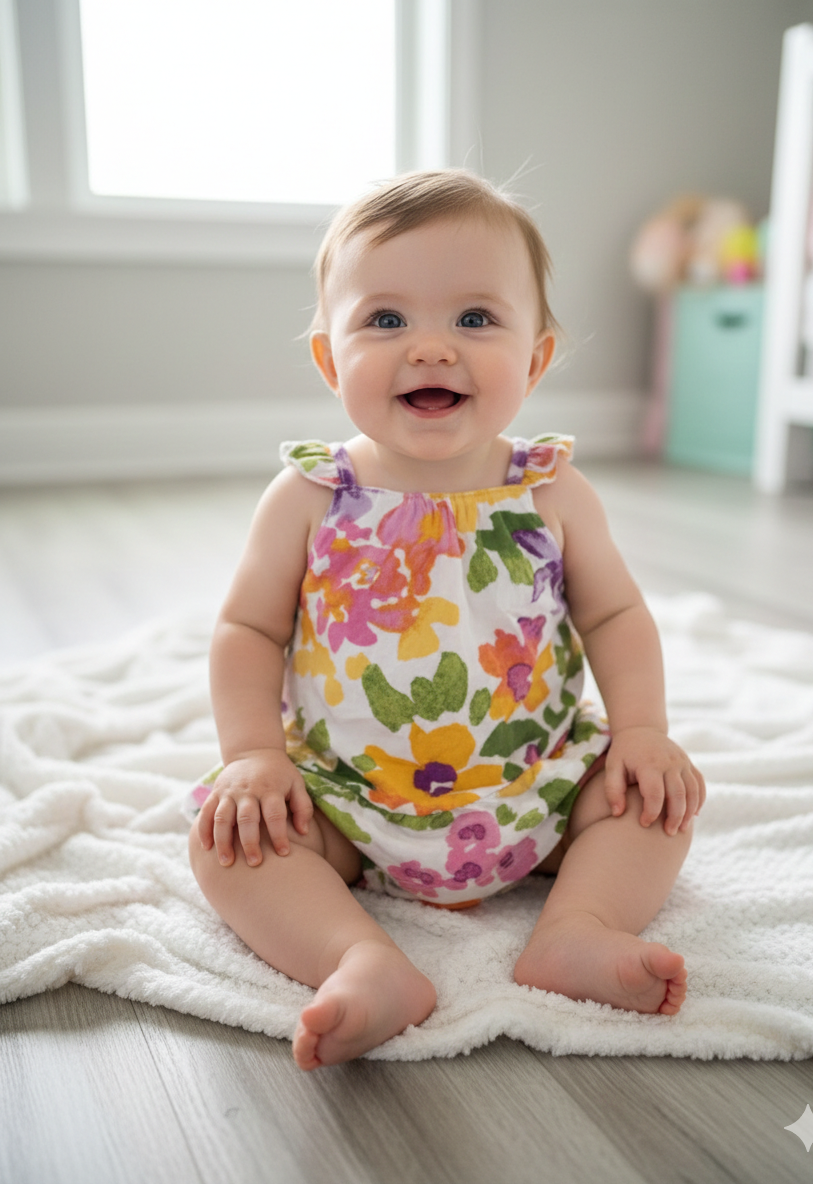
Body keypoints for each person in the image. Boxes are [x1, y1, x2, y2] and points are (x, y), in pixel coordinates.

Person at [187, 169, 706, 1071]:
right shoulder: (312, 494)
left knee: (655, 805)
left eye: (475, 319)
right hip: (349, 799)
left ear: (536, 359)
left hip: (539, 784)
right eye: (385, 321)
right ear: (329, 359)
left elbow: (617, 612)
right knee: (229, 845)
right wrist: (255, 758)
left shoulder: (548, 489)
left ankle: (577, 929)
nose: (430, 348)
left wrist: (643, 734)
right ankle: (361, 958)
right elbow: (249, 632)